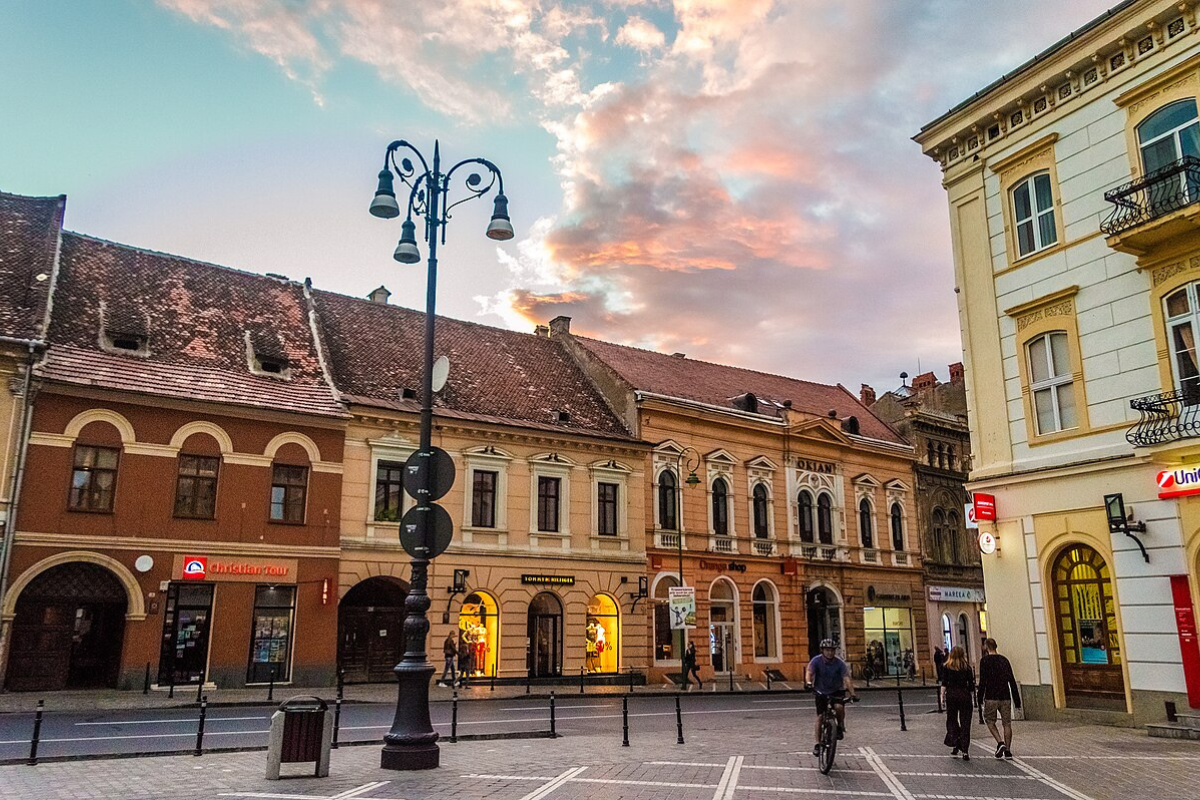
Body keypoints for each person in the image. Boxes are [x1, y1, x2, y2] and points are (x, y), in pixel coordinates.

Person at [805, 639, 857, 757]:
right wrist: (808, 683)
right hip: (820, 691)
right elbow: (809, 672)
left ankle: (840, 725)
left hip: (836, 691)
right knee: (820, 717)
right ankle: (817, 744)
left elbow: (846, 678)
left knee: (839, 707)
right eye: (827, 650)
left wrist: (852, 693)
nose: (830, 653)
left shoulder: (839, 663)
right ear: (823, 651)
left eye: (832, 650)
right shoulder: (816, 661)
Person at [977, 638, 1021, 759]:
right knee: (1007, 723)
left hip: (991, 696)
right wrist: (1017, 700)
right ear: (996, 646)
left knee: (990, 721)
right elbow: (1011, 679)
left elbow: (982, 682)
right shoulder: (1004, 660)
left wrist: (979, 698)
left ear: (986, 647)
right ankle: (1008, 750)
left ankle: (1000, 742)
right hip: (1005, 695)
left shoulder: (984, 661)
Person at [941, 645, 975, 759]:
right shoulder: (967, 668)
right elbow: (971, 686)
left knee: (952, 720)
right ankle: (965, 749)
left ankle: (956, 740)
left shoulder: (947, 667)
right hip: (964, 695)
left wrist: (942, 697)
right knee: (966, 722)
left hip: (952, 695)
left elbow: (944, 683)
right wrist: (972, 698)